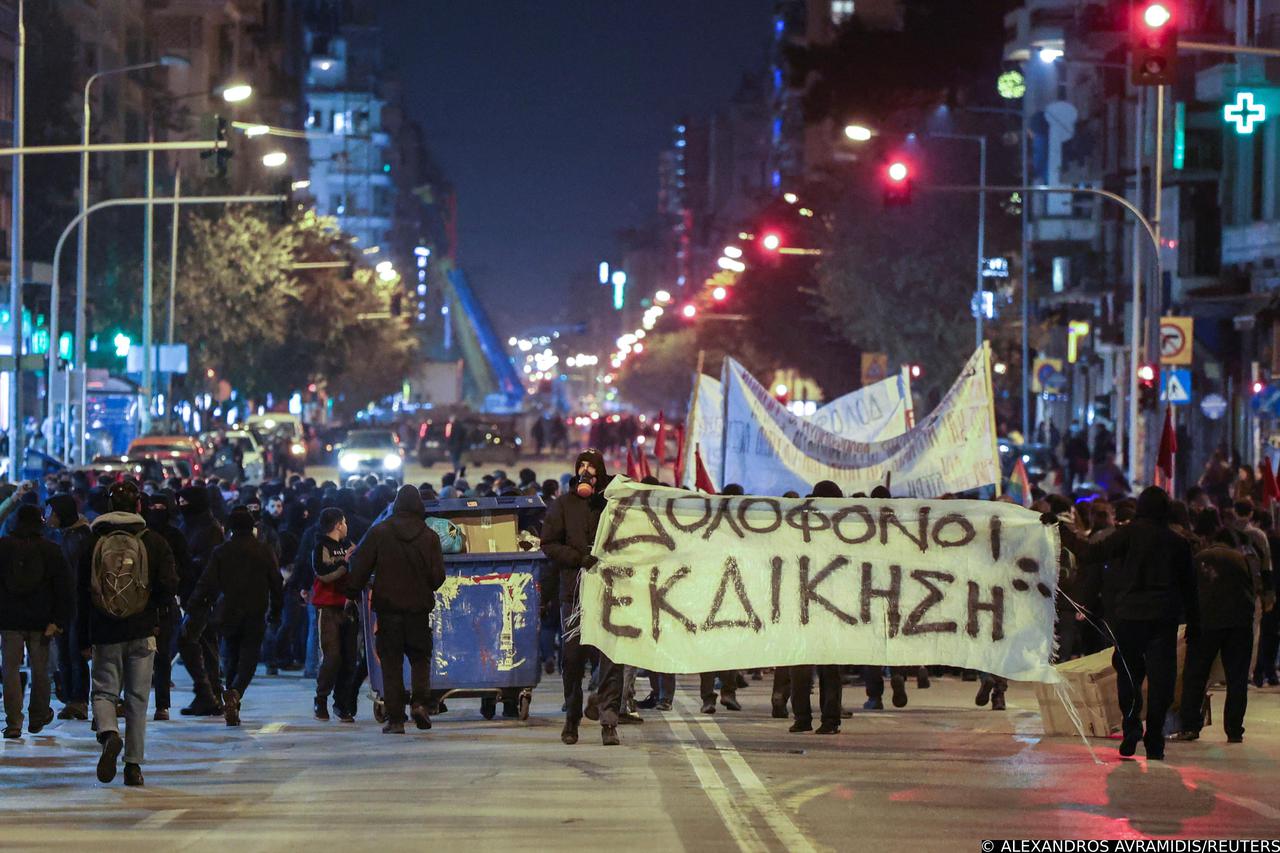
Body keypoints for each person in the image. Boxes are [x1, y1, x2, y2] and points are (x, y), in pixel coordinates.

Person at [1052, 486, 1196, 760]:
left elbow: (1089, 553)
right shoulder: (1177, 543)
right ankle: (1155, 737)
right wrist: (1195, 624)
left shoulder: (1128, 535)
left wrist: (1061, 531)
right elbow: (1190, 588)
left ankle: (1131, 729)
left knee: (1129, 677)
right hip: (1163, 620)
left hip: (1129, 618)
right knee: (1161, 682)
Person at [77, 481, 178, 786]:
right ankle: (133, 765)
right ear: (138, 506)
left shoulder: (92, 543)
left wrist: (82, 638)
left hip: (105, 631)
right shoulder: (153, 541)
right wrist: (157, 615)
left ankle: (109, 733)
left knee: (105, 691)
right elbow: (169, 586)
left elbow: (81, 594)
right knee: (137, 699)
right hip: (143, 629)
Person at [345, 485, 445, 734]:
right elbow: (438, 577)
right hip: (418, 611)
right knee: (420, 658)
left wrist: (351, 591)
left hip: (388, 611)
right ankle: (420, 703)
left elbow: (360, 565)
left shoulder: (380, 532)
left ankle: (396, 719)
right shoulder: (430, 536)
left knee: (391, 664)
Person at [541, 449, 624, 746]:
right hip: (574, 593)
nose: (585, 470)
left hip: (610, 594)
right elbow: (548, 544)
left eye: (591, 466)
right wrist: (578, 558)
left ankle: (609, 720)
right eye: (581, 465)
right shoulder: (563, 505)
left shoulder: (613, 506)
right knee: (573, 657)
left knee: (611, 658)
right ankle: (572, 718)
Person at [186, 507, 282, 727]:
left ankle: (231, 696)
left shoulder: (221, 551)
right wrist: (276, 611)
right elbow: (276, 583)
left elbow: (207, 582)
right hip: (256, 610)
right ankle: (236, 693)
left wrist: (194, 605)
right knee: (249, 657)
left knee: (230, 655)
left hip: (228, 610)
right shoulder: (264, 550)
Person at [1174, 513, 1263, 743]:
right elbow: (1255, 588)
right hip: (1239, 624)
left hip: (1206, 623)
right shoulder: (1241, 558)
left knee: (1196, 674)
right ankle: (1234, 730)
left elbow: (1188, 591)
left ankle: (1191, 726)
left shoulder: (1201, 557)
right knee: (1237, 678)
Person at [0, 505, 73, 738]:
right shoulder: (50, 550)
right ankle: (38, 715)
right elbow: (64, 588)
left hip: (9, 619)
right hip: (42, 621)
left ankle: (13, 722)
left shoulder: (3, 547)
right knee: (41, 670)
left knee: (9, 670)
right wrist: (59, 619)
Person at [788, 481, 844, 734]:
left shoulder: (799, 523)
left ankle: (803, 717)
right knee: (830, 669)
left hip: (804, 609)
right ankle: (829, 720)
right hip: (832, 609)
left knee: (801, 667)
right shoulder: (847, 525)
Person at [176, 485, 226, 716]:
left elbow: (208, 564)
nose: (181, 506)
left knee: (191, 641)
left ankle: (208, 691)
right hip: (190, 593)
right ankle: (211, 692)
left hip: (203, 595)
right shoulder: (189, 525)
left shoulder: (209, 528)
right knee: (203, 643)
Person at [45, 493, 94, 721]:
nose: (46, 517)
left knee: (75, 654)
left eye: (50, 512)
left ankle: (79, 699)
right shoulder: (63, 535)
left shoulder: (80, 538)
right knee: (65, 653)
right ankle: (71, 699)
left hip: (76, 605)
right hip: (63, 605)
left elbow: (77, 579)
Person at [312, 507, 359, 722]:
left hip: (349, 609)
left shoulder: (349, 545)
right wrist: (344, 563)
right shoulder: (321, 546)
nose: (347, 526)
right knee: (332, 658)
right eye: (345, 522)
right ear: (338, 524)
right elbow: (323, 574)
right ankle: (321, 699)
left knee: (350, 660)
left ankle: (342, 704)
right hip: (328, 609)